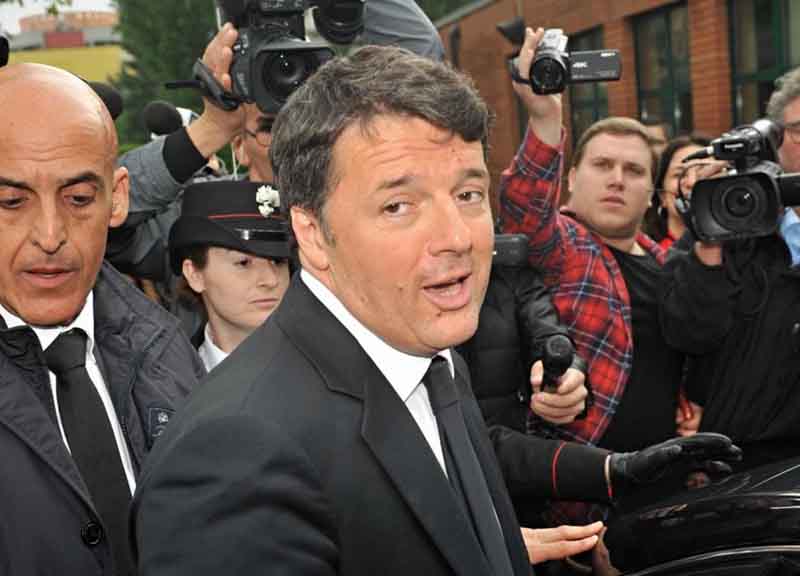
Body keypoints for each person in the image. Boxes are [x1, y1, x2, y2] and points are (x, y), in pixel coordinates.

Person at [131, 43, 614, 576]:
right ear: (312, 234)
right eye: (398, 206)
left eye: (469, 194)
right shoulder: (233, 455)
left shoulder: (432, 358)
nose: (456, 237)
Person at [0, 63, 202, 575]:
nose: (50, 234)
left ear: (118, 198)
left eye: (78, 199)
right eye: (11, 201)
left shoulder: (169, 351)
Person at [499, 28, 683, 454]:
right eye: (602, 165)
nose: (617, 179)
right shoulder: (564, 245)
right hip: (579, 478)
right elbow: (524, 209)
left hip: (666, 473)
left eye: (634, 171)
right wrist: (545, 118)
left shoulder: (669, 265)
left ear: (651, 193)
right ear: (571, 178)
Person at [659, 66, 800, 468]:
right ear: (775, 141)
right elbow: (687, 333)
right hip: (735, 464)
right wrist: (711, 241)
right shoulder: (726, 222)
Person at [168, 180, 291, 370]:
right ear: (195, 275)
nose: (271, 280)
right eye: (243, 263)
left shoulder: (332, 366)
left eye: (278, 260)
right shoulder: (172, 381)